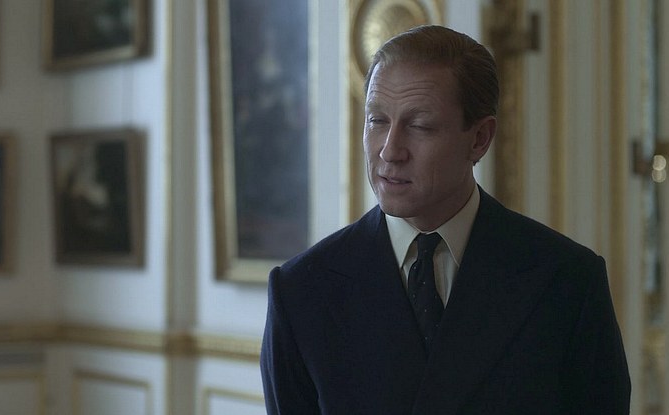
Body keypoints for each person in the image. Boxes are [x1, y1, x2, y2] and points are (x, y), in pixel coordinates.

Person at [260, 25, 630, 414]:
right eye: (377, 120)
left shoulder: (567, 280)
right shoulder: (301, 291)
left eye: (419, 126)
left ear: (480, 138)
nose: (390, 151)